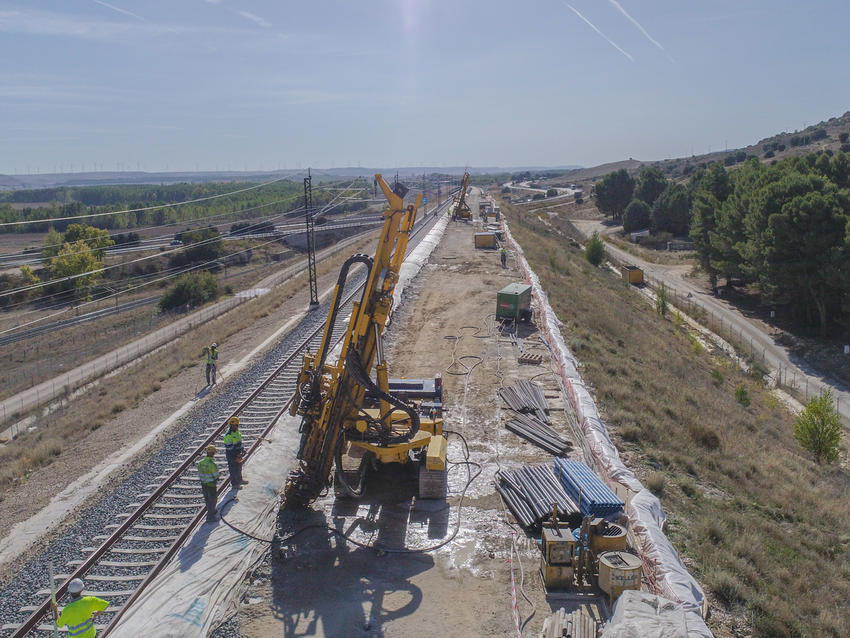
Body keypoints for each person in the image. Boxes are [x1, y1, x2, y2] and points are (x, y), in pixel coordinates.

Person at [223, 416, 248, 489]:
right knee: (233, 470)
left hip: (237, 453)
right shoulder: (228, 435)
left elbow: (239, 442)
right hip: (232, 455)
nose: (237, 426)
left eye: (237, 425)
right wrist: (236, 456)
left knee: (239, 468)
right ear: (232, 425)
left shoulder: (237, 432)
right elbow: (229, 448)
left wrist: (242, 449)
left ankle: (240, 480)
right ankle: (235, 484)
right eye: (236, 425)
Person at [198, 445, 219, 522]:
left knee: (207, 499)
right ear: (213, 453)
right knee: (213, 500)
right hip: (211, 485)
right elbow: (216, 476)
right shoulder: (212, 464)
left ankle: (211, 511)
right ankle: (211, 516)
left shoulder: (200, 463)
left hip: (203, 484)